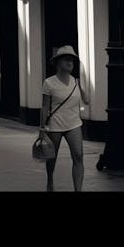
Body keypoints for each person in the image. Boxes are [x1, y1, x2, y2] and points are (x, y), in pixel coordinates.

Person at [39, 45, 90, 192]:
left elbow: (86, 101)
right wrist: (42, 128)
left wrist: (81, 86)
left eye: (72, 61)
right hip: (55, 124)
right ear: (58, 63)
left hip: (74, 124)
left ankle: (78, 189)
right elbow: (44, 107)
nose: (70, 63)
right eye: (67, 60)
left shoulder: (76, 81)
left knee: (78, 156)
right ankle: (50, 180)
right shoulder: (49, 83)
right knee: (51, 157)